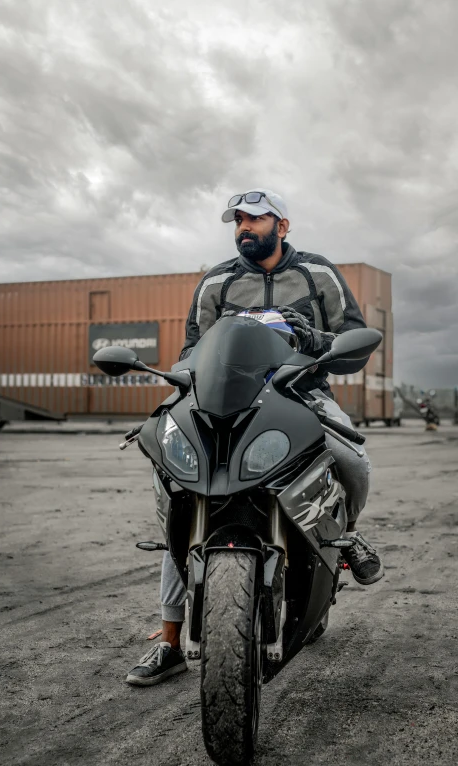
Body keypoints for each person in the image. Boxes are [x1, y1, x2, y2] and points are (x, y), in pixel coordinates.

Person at [126, 189, 384, 686]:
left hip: (300, 394)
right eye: (238, 219)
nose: (245, 227)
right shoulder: (217, 281)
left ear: (282, 225)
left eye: (256, 219)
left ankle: (344, 534)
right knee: (180, 493)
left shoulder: (318, 273)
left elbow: (353, 345)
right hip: (226, 404)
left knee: (353, 461)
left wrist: (316, 341)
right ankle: (170, 642)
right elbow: (191, 350)